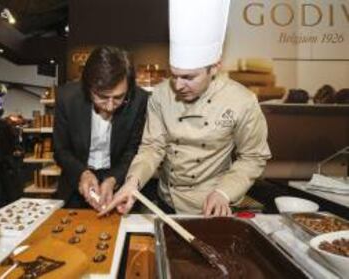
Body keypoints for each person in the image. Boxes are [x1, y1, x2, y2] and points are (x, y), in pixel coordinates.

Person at [100, 0, 271, 216]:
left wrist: (224, 193)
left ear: (214, 67)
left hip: (211, 205)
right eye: (175, 75)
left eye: (189, 77)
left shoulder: (241, 101)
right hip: (166, 201)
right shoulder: (161, 95)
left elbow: (253, 157)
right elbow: (152, 147)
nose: (179, 85)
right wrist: (133, 182)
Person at [53, 46, 149, 210]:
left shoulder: (139, 99)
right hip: (75, 183)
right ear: (88, 87)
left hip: (119, 181)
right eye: (102, 97)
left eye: (119, 97)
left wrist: (114, 178)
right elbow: (61, 150)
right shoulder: (67, 97)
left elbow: (132, 150)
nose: (110, 106)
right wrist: (83, 174)